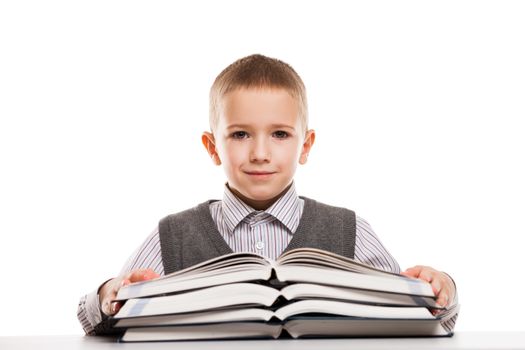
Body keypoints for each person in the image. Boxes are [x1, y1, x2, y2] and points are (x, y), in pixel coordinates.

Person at [77, 54, 458, 335]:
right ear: (213, 147)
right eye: (240, 134)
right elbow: (99, 321)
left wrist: (442, 289)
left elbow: (425, 321)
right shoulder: (172, 236)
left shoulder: (349, 230)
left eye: (280, 134)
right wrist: (111, 294)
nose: (260, 153)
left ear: (305, 145)